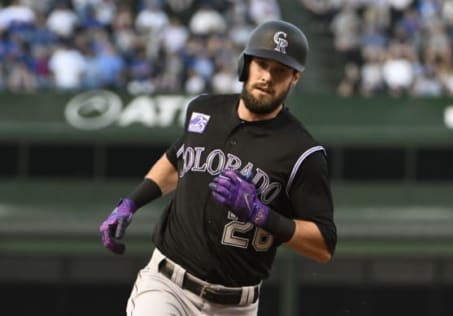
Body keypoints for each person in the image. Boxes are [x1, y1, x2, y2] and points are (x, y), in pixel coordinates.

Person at [100, 20, 337, 316]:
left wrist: (262, 215)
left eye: (280, 71)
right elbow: (178, 159)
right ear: (245, 65)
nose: (267, 77)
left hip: (236, 305)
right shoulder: (204, 110)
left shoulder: (302, 152)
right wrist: (132, 202)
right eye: (262, 64)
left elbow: (323, 246)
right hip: (167, 285)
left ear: (294, 78)